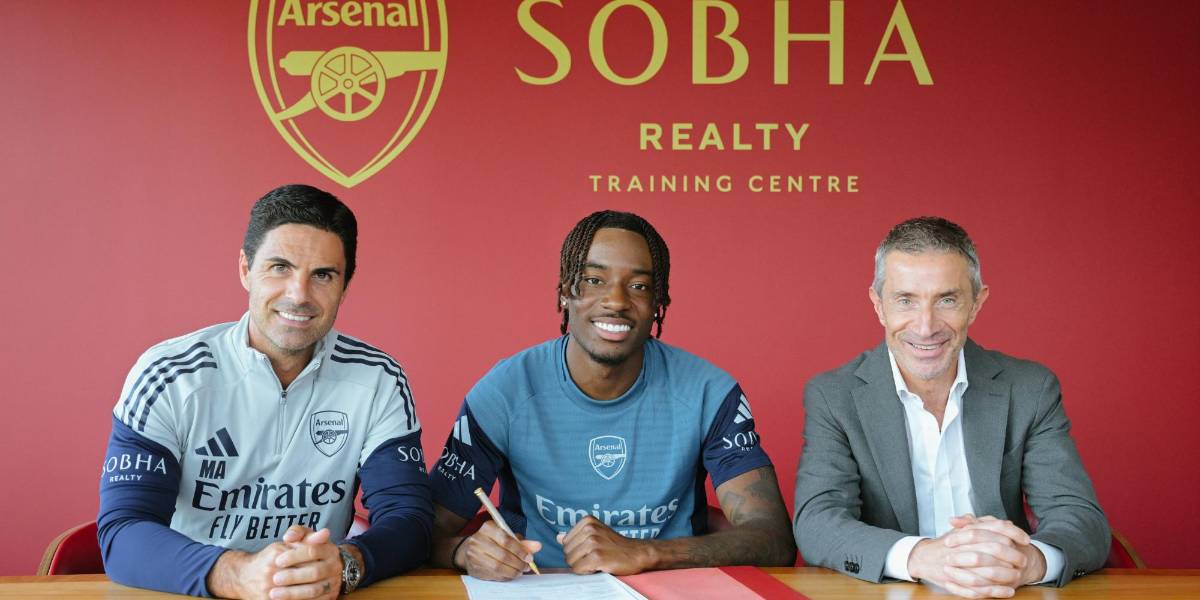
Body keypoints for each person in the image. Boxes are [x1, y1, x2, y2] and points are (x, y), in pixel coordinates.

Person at [98, 184, 432, 598]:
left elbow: (410, 519)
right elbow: (123, 533)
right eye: (280, 267)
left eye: (323, 275)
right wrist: (240, 574)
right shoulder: (169, 375)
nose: (299, 295)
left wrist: (347, 564)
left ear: (345, 286)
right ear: (245, 269)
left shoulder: (378, 379)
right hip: (190, 592)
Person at [427, 210, 796, 579]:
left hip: (670, 590)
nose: (616, 300)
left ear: (658, 302)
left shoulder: (708, 392)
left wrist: (646, 553)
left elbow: (774, 538)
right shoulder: (504, 392)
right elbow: (420, 530)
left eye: (639, 286)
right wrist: (464, 551)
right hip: (542, 587)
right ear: (564, 293)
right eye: (593, 280)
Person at [793, 216, 1109, 597]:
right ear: (879, 306)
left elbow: (1081, 519)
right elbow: (818, 521)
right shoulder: (834, 396)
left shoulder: (1030, 389)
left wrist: (1029, 562)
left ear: (976, 303)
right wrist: (921, 556)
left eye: (946, 300)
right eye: (906, 300)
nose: (926, 326)